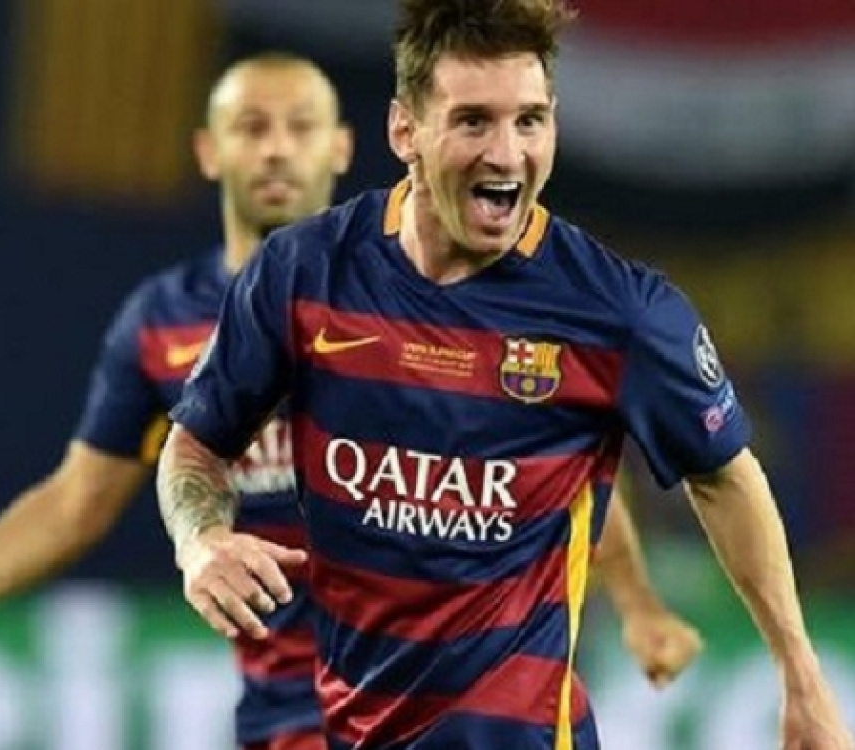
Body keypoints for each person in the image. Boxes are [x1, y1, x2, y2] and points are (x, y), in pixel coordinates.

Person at [0, 51, 698, 750]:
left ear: (343, 147)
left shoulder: (423, 306)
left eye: (300, 128)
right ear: (209, 151)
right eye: (251, 128)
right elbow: (77, 503)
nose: (276, 152)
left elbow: (550, 469)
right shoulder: (163, 323)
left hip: (441, 701)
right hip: (290, 712)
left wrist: (637, 604)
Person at [154, 3, 855, 749]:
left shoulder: (617, 310)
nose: (506, 153)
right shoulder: (305, 274)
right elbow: (195, 446)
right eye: (473, 122)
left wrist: (801, 677)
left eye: (530, 121)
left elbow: (725, 476)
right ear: (405, 131)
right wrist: (201, 543)